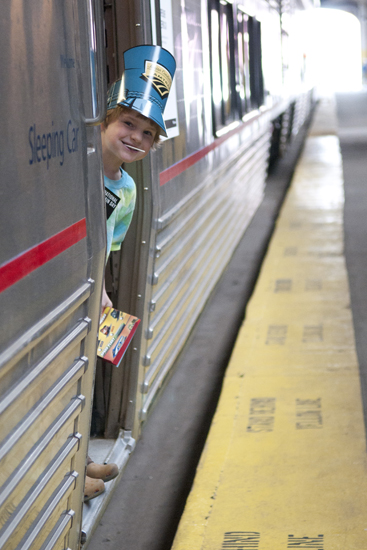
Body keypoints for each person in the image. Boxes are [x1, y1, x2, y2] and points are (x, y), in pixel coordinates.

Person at [84, 45, 176, 502]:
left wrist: (100, 295)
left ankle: (77, 461)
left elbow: (105, 248)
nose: (136, 137)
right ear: (104, 121)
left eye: (147, 134)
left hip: (85, 297)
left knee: (77, 382)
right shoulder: (74, 171)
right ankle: (68, 475)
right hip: (60, 291)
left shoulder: (128, 191)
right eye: (128, 124)